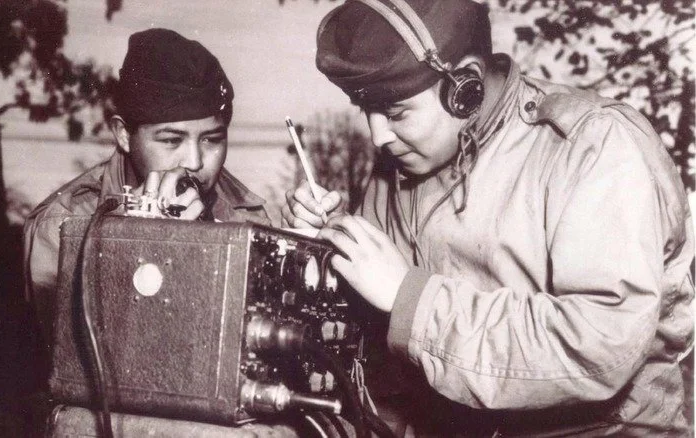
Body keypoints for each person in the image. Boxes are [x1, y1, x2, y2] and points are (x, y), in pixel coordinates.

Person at [283, 0, 694, 435]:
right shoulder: (401, 166)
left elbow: (599, 346)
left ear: (466, 88)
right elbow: (368, 339)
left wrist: (414, 301)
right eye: (366, 112)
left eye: (396, 112)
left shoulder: (592, 146)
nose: (378, 135)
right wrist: (323, 254)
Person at [24, 28, 269, 347]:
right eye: (171, 141)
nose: (194, 161)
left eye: (212, 140)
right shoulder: (63, 226)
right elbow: (72, 368)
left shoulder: (245, 214)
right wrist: (132, 247)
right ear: (124, 135)